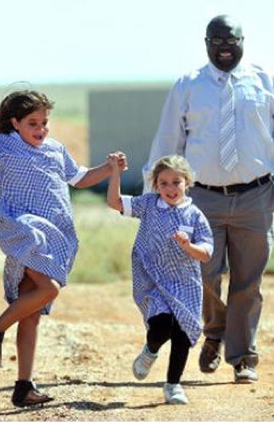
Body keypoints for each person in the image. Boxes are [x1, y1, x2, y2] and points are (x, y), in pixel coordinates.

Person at [0, 90, 127, 407]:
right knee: (49, 288)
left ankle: (23, 386)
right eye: (33, 123)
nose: (41, 129)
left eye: (44, 122)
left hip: (54, 233)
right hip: (22, 228)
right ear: (15, 123)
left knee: (32, 311)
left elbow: (80, 178)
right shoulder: (3, 145)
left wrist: (109, 168)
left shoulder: (55, 149)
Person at [143, 14, 274, 384]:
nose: (225, 48)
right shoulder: (188, 86)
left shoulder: (264, 81)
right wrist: (154, 196)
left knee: (248, 281)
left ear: (242, 42)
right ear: (206, 43)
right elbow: (168, 142)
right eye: (217, 41)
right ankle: (214, 331)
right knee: (202, 274)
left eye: (231, 41)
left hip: (256, 196)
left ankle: (243, 356)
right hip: (201, 199)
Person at [108, 155, 213, 404]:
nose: (170, 188)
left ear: (187, 182)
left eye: (176, 182)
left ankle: (173, 385)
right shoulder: (149, 204)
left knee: (182, 332)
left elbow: (207, 253)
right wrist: (115, 172)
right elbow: (115, 202)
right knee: (161, 327)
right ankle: (151, 349)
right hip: (151, 278)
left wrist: (188, 246)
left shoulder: (195, 215)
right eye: (163, 183)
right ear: (155, 185)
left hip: (185, 282)